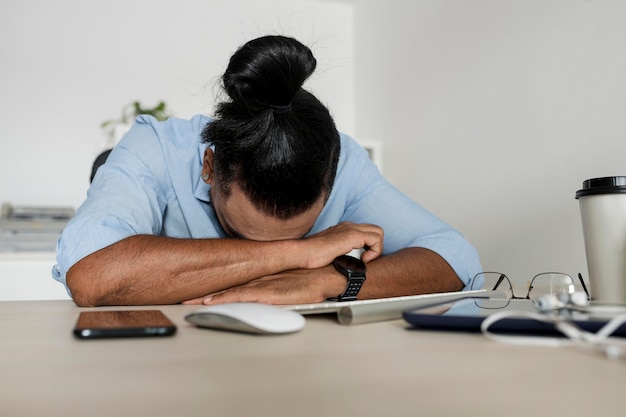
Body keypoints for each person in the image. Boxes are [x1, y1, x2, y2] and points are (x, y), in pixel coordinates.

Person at [53, 35, 481, 307]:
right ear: (209, 166)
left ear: (332, 183)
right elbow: (93, 276)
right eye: (239, 232)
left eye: (298, 234)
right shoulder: (156, 148)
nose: (279, 250)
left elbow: (458, 259)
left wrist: (328, 282)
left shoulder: (342, 158)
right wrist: (298, 254)